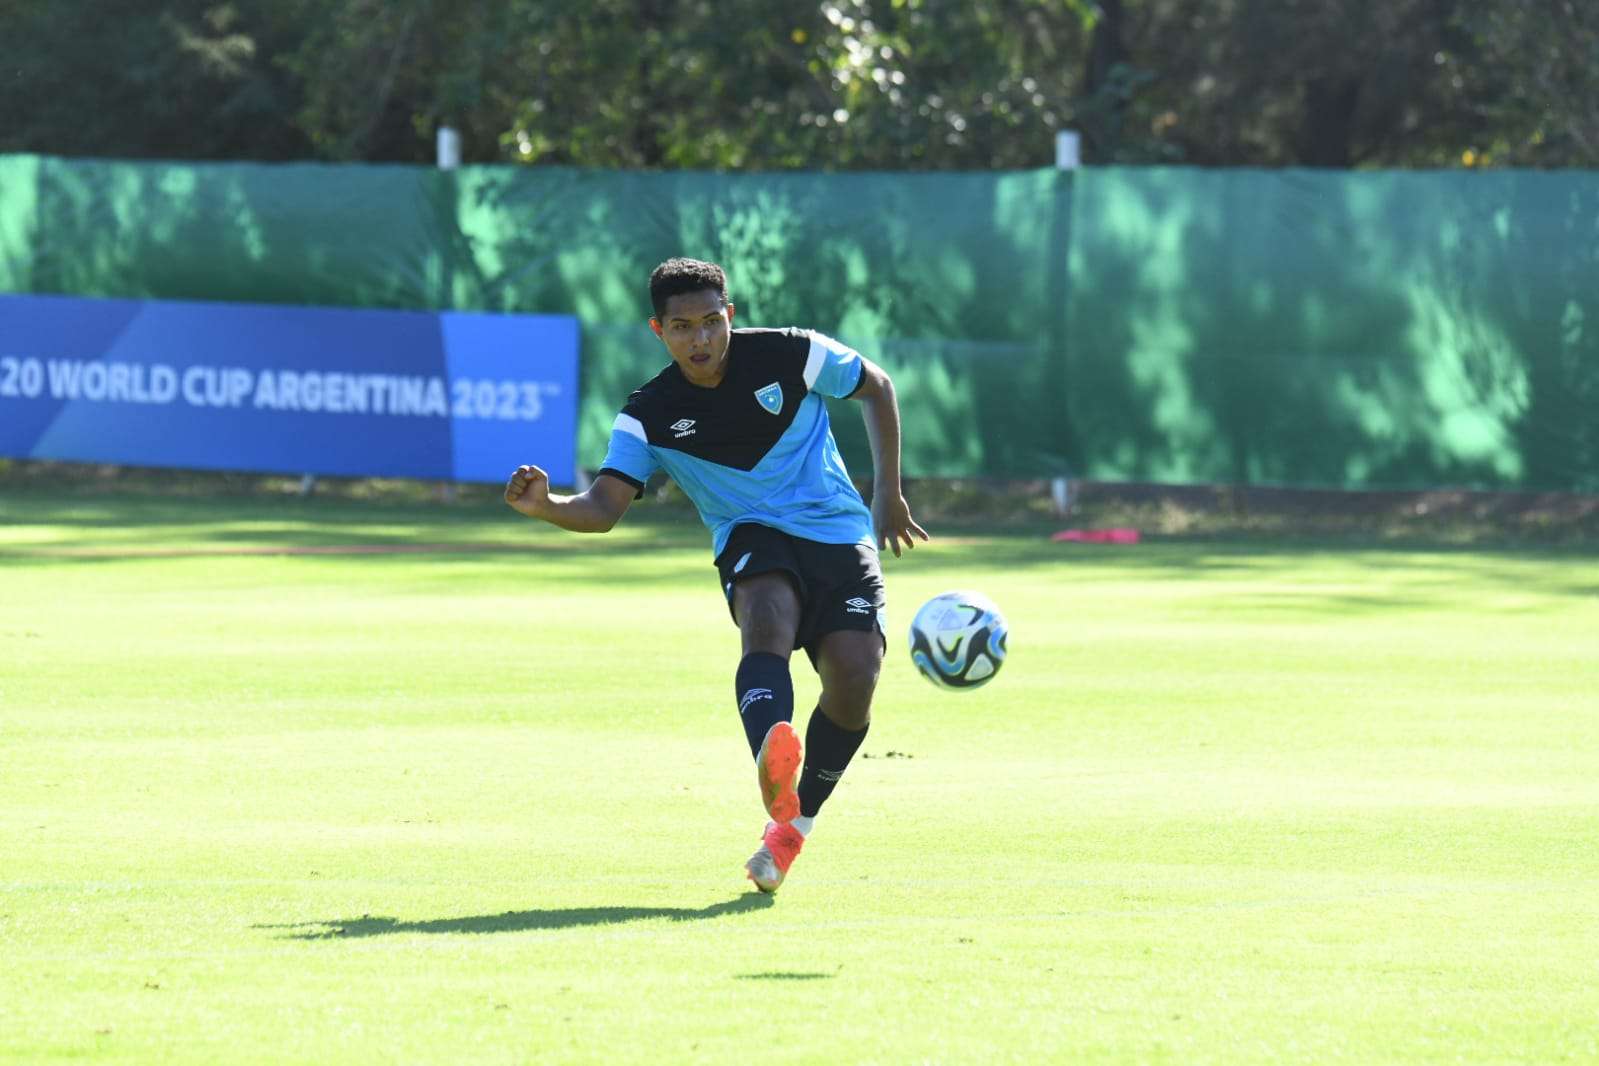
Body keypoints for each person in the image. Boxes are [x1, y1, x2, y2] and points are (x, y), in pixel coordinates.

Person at [505, 256, 927, 894]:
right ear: (659, 331)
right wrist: (546, 507)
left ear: (730, 315)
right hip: (750, 533)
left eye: (711, 322)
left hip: (837, 532)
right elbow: (603, 508)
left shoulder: (793, 353)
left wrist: (887, 493)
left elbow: (877, 386)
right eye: (682, 327)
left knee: (855, 679)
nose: (700, 339)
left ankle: (792, 829)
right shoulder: (648, 413)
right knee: (767, 616)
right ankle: (770, 753)